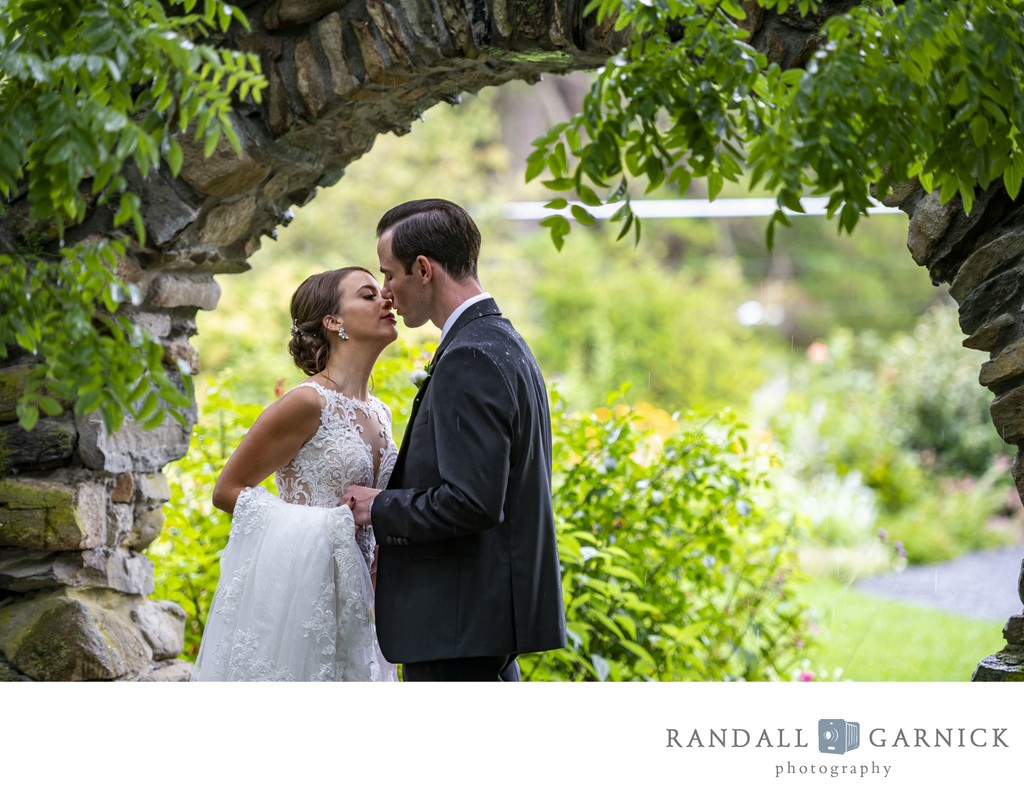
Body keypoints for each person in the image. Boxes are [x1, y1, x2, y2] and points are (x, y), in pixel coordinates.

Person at [344, 199, 566, 681]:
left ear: (423, 269)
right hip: (482, 632)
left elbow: (473, 502)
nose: (386, 292)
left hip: (459, 632)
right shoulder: (502, 341)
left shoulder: (470, 357)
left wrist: (378, 507)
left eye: (389, 274)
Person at [191, 267, 399, 682]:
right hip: (305, 602)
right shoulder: (306, 403)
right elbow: (227, 490)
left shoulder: (380, 412)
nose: (387, 300)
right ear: (333, 321)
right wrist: (331, 525)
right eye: (368, 294)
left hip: (364, 605)